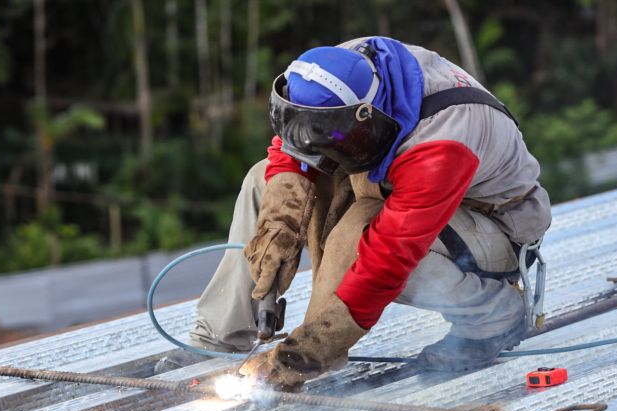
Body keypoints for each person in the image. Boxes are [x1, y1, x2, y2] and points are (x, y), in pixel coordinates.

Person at [188, 36, 551, 390]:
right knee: (263, 179)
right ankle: (220, 337)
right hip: (397, 184)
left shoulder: (442, 140)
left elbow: (387, 262)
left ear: (365, 116)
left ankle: (493, 317)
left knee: (359, 232)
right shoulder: (337, 69)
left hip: (490, 225)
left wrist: (306, 355)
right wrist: (279, 225)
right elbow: (291, 149)